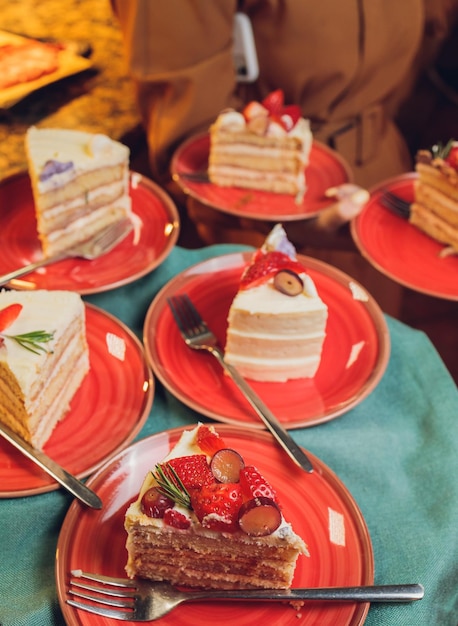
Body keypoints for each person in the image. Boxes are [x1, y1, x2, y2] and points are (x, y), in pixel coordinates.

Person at [111, 0, 458, 313]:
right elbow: (191, 130)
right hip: (258, 210)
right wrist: (278, 213)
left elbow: (427, 35)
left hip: (382, 180)